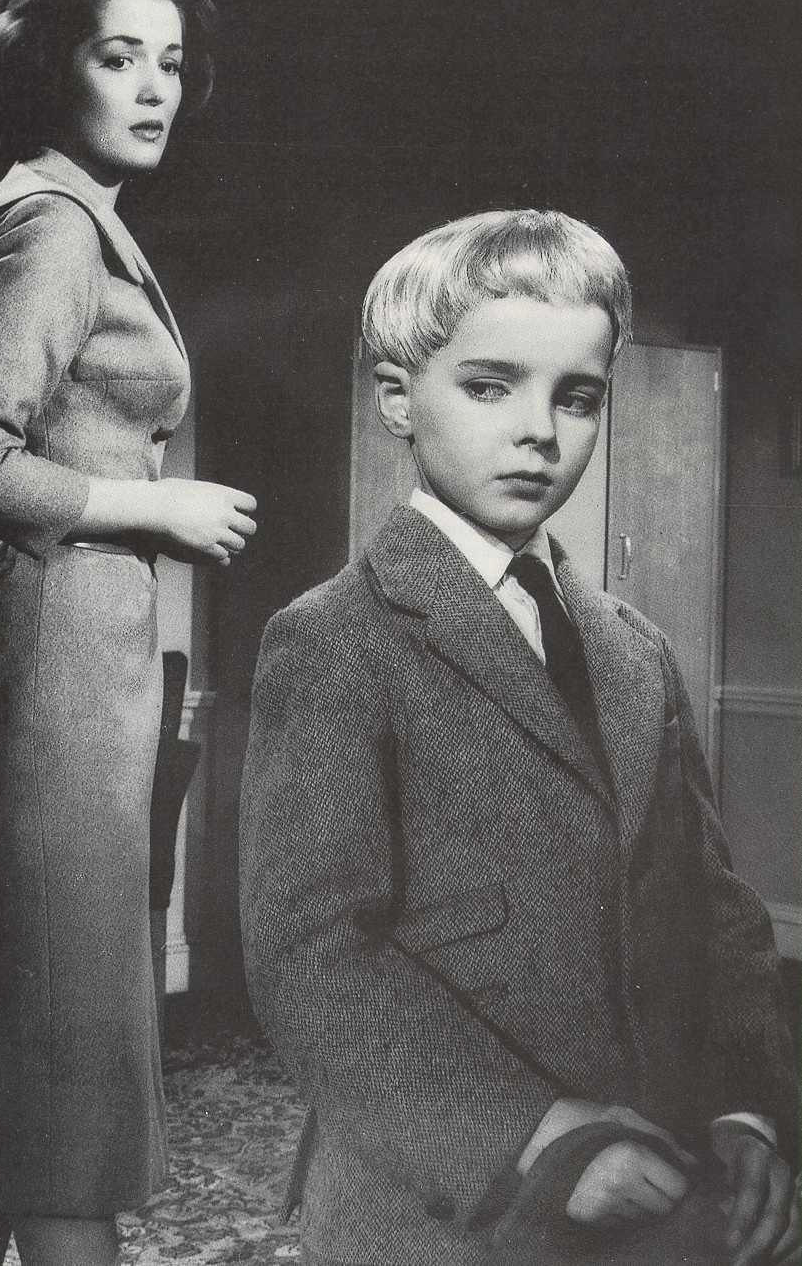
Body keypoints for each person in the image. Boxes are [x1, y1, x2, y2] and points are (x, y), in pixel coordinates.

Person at [239, 210, 799, 1266]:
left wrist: (744, 1109)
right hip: (443, 1208)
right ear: (397, 398)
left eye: (575, 397)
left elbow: (713, 908)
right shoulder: (333, 639)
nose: (540, 430)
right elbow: (312, 959)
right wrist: (541, 1137)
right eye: (490, 387)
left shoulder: (633, 648)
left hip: (654, 1173)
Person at [0, 0, 257, 1266]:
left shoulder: (78, 219)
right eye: (120, 56)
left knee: (7, 1067)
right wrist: (152, 507)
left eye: (169, 61)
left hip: (64, 671)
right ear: (51, 66)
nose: (154, 87)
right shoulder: (54, 228)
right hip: (42, 687)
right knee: (62, 1077)